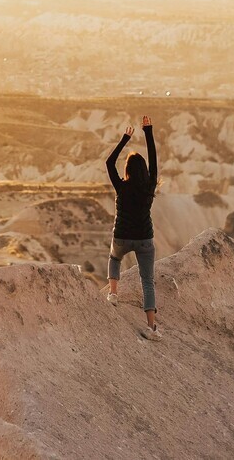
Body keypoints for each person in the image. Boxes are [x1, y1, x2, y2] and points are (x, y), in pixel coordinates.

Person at [105, 115, 161, 340]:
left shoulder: (121, 187)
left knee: (114, 258)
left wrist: (125, 139)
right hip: (144, 239)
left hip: (122, 236)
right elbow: (154, 161)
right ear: (144, 170)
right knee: (147, 281)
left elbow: (109, 163)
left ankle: (113, 294)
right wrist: (148, 131)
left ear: (127, 169)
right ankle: (151, 327)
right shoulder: (149, 186)